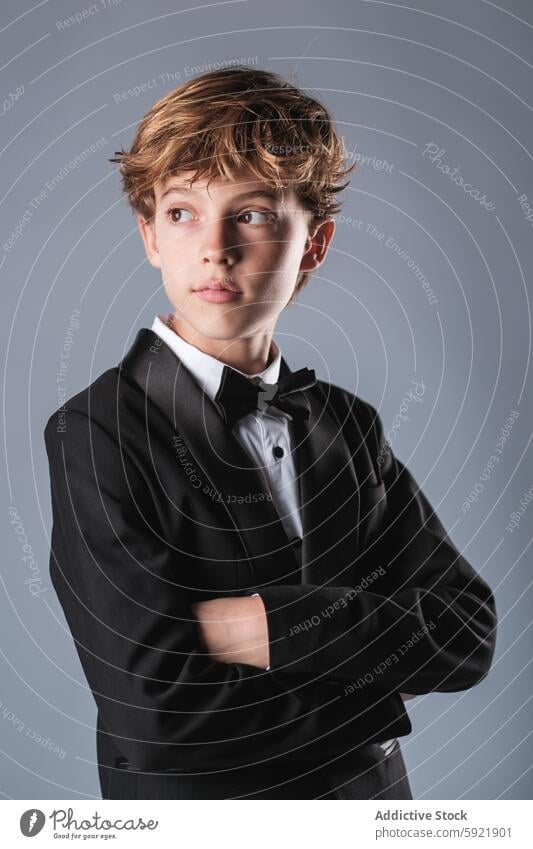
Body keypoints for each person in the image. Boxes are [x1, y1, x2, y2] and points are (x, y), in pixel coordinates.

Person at [43, 66, 497, 800]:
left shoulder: (349, 423)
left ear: (312, 245)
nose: (214, 246)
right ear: (149, 234)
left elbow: (465, 631)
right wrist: (378, 686)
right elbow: (157, 713)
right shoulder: (96, 429)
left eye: (250, 213)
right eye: (183, 212)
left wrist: (262, 625)